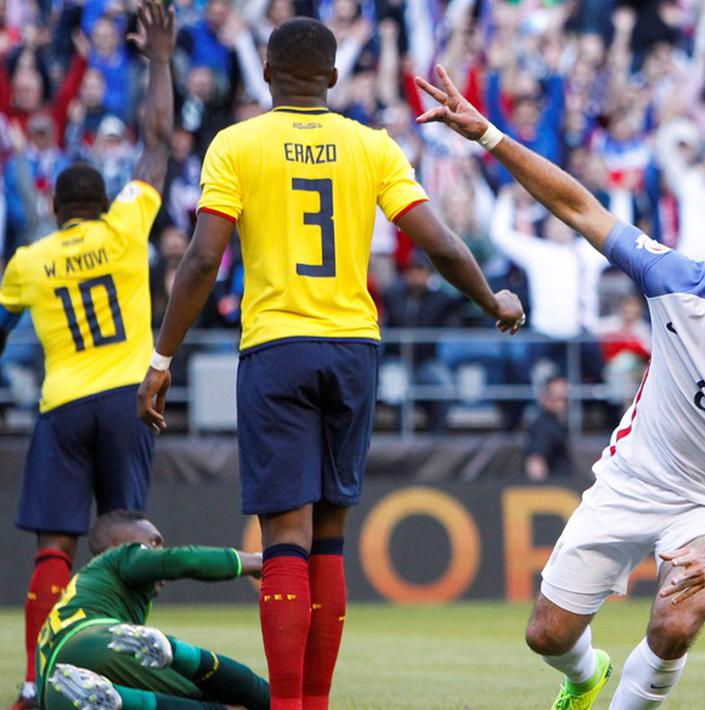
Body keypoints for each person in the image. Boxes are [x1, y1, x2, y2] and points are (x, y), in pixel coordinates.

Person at [135, 19, 524, 710]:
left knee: (286, 535)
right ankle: (315, 704)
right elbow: (438, 242)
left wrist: (162, 357)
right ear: (335, 79)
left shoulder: (237, 145)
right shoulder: (370, 145)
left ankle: (288, 708)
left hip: (278, 347)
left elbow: (200, 259)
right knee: (331, 536)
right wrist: (490, 298)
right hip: (353, 349)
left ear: (264, 72)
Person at [417, 65, 705, 710]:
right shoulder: (674, 279)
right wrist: (488, 134)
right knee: (547, 635)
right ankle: (586, 676)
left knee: (675, 622)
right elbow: (581, 208)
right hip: (633, 475)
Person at [0, 1, 174, 706]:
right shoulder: (129, 226)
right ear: (103, 204)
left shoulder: (31, 259)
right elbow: (158, 140)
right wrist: (158, 59)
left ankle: (40, 683)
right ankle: (118, 669)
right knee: (127, 548)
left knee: (54, 549)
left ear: (53, 203)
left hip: (65, 404)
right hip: (128, 398)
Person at [36, 510, 269, 710]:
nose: (160, 550)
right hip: (98, 642)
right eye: (154, 543)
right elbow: (182, 561)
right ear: (117, 547)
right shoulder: (118, 558)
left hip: (57, 688)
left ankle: (119, 699)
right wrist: (259, 561)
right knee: (233, 692)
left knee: (163, 701)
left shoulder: (86, 590)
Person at [524, 375, 572, 481]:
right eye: (558, 397)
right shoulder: (544, 426)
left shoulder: (557, 424)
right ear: (544, 398)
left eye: (565, 398)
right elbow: (535, 463)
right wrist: (543, 492)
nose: (563, 403)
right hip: (554, 491)